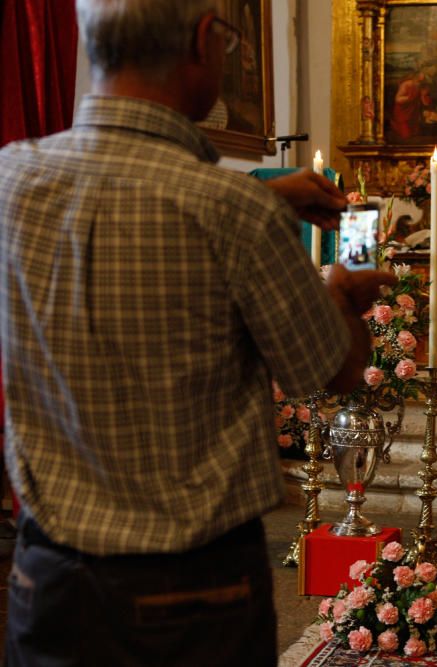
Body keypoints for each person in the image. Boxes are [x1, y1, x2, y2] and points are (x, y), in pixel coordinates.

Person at [0, 2, 395, 665]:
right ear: (204, 41)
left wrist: (265, 199)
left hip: (46, 577)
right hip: (191, 594)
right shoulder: (231, 213)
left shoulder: (11, 178)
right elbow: (331, 370)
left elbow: (121, 206)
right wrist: (340, 293)